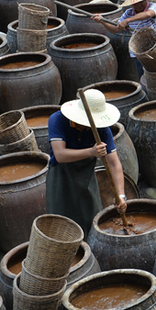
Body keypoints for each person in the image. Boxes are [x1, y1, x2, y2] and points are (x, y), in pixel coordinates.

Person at [47, 89, 127, 233]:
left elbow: (114, 164)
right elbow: (60, 155)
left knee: (91, 219)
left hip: (86, 177)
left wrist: (121, 195)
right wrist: (91, 152)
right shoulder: (57, 120)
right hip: (61, 178)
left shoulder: (102, 130)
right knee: (61, 223)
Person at [92, 0, 156, 79]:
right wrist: (102, 21)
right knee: (144, 80)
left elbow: (148, 14)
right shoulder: (128, 13)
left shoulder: (153, 6)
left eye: (141, 1)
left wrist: (128, 21)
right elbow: (115, 30)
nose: (139, 5)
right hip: (139, 55)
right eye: (135, 3)